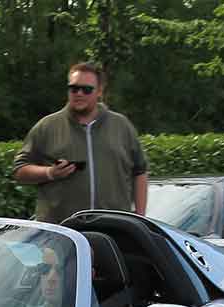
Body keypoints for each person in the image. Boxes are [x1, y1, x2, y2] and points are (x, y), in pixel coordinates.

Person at [11, 62, 149, 223]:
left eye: (86, 89)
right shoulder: (47, 126)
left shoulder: (121, 126)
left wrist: (140, 218)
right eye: (74, 88)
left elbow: (140, 171)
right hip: (62, 230)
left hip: (113, 228)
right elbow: (19, 171)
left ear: (99, 91)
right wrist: (50, 172)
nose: (79, 94)